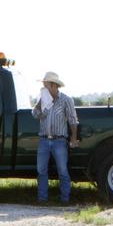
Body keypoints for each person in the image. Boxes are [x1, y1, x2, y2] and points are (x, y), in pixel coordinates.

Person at [32, 71, 80, 205]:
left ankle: (65, 199)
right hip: (43, 139)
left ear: (53, 85)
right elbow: (35, 115)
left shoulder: (66, 100)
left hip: (59, 140)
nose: (43, 87)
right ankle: (42, 199)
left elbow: (72, 120)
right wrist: (40, 102)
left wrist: (73, 138)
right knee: (41, 170)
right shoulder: (42, 99)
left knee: (62, 171)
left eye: (45, 85)